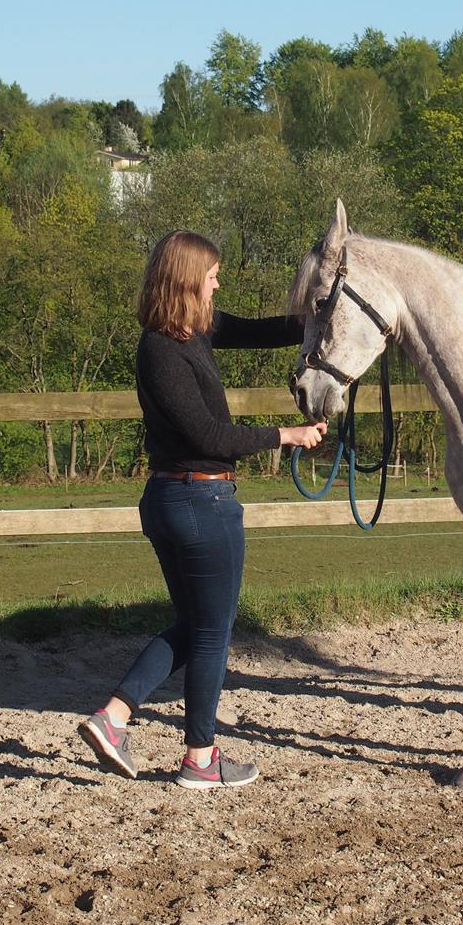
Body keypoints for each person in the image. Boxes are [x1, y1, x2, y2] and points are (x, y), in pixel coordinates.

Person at [78, 230, 326, 789]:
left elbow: (270, 331)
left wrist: (322, 308)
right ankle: (200, 758)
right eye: (212, 275)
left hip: (176, 501)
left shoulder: (197, 330)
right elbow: (209, 435)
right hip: (199, 500)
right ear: (189, 279)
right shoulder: (162, 350)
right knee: (214, 632)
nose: (219, 282)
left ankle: (113, 717)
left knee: (195, 625)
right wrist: (287, 434)